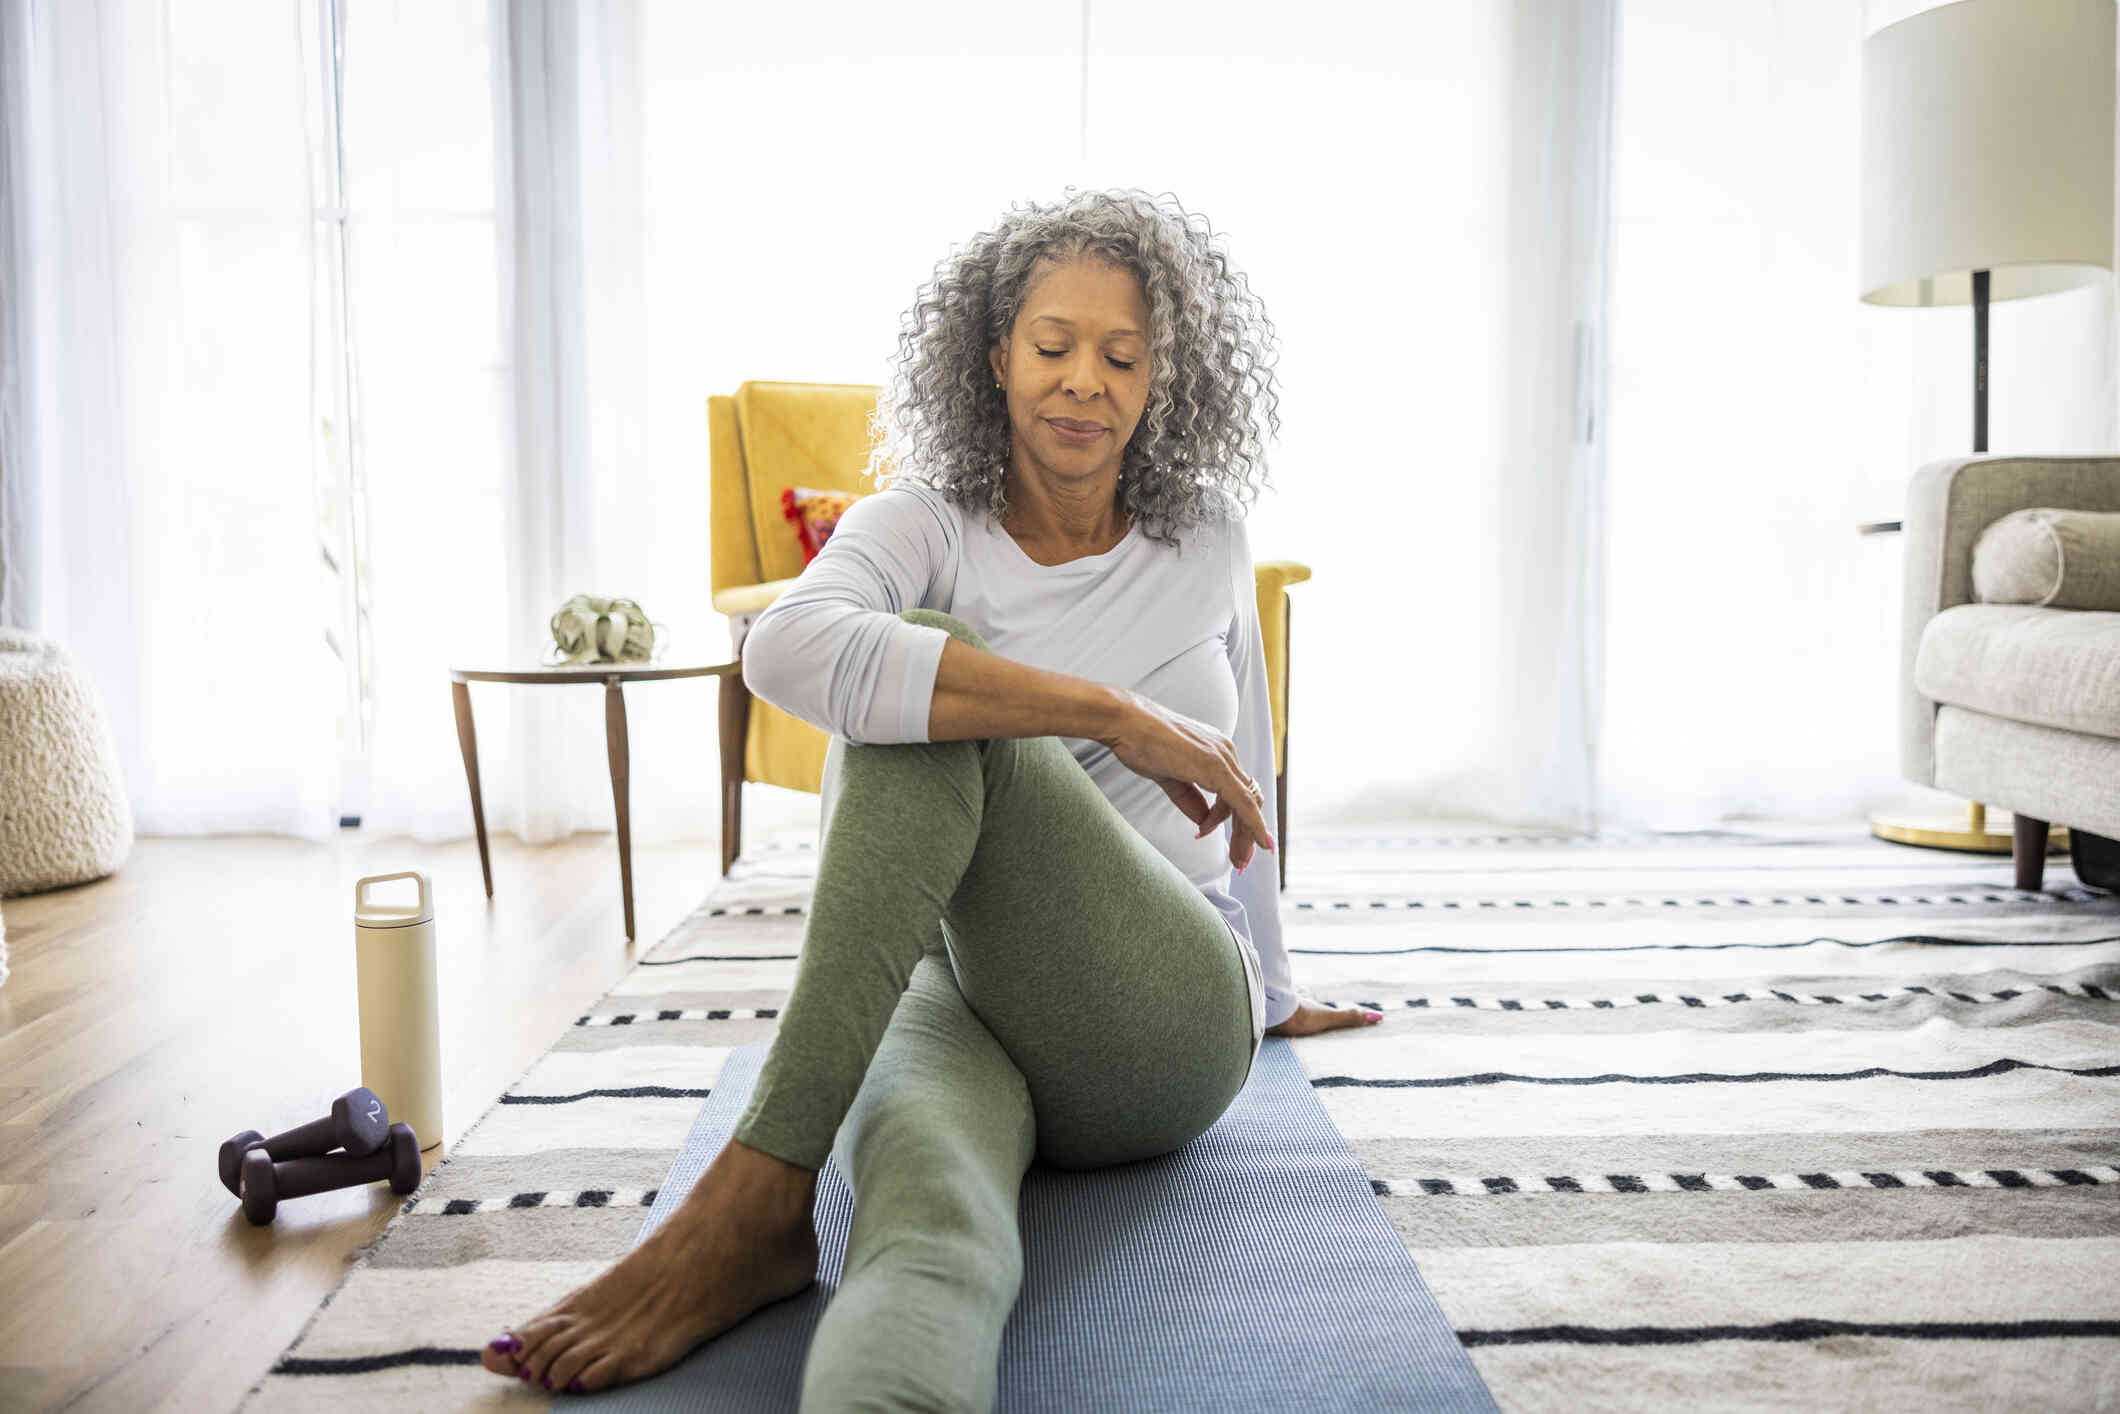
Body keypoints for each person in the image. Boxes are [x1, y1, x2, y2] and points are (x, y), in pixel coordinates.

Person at [481, 187, 1380, 1406]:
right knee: (921, 1228)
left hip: (1157, 1023)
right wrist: (1104, 711)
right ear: (994, 354)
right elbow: (783, 650)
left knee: (925, 686)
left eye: (1121, 355)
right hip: (957, 993)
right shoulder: (922, 519)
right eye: (1052, 345)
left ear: (1163, 378)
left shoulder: (1204, 535)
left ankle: (757, 1178)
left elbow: (1245, 771)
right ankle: (793, 1261)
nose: (1082, 382)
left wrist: (1274, 989)